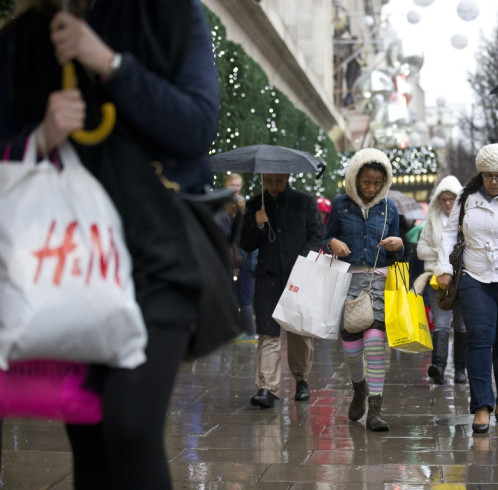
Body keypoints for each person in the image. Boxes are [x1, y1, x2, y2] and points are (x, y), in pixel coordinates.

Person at [0, 1, 220, 488]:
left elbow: (196, 128)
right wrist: (41, 136)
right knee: (91, 438)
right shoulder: (27, 37)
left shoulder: (172, 14)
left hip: (158, 255)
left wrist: (113, 66)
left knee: (130, 426)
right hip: (65, 262)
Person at [435, 145, 498, 432]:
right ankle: (481, 405)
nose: (494, 182)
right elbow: (450, 232)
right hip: (475, 278)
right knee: (479, 338)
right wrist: (443, 268)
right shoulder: (466, 198)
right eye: (488, 176)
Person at [323, 148, 403, 431]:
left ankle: (375, 410)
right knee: (352, 349)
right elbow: (324, 238)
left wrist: (399, 245)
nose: (371, 188)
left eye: (376, 183)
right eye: (366, 182)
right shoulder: (341, 205)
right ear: (355, 179)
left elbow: (399, 255)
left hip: (379, 282)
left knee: (374, 343)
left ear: (384, 182)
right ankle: (359, 388)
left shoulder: (390, 209)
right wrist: (332, 241)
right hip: (348, 284)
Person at [241, 173, 324, 408]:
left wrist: (304, 261)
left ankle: (302, 379)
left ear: (287, 176)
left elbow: (317, 235)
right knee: (268, 332)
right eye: (268, 181)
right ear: (263, 178)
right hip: (268, 278)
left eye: (278, 180)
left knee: (299, 332)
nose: (274, 186)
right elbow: (246, 243)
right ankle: (267, 387)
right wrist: (257, 223)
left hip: (300, 276)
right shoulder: (255, 204)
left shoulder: (304, 201)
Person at [415, 176, 467, 385]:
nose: (447, 203)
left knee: (462, 326)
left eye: (452, 199)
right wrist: (443, 252)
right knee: (441, 324)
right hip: (437, 279)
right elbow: (420, 251)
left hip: (463, 280)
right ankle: (438, 367)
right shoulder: (431, 223)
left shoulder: (468, 220)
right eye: (443, 199)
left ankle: (461, 371)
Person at [225, 173, 258, 343]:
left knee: (243, 294)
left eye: (238, 185)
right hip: (237, 257)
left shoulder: (244, 207)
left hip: (245, 258)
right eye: (233, 185)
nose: (236, 188)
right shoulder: (226, 206)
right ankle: (243, 330)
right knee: (237, 293)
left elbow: (241, 237)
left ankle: (250, 331)